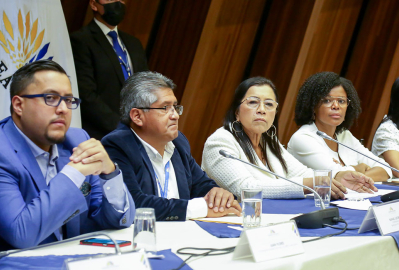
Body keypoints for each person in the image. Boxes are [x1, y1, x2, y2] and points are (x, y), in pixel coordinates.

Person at [0, 60, 135, 251]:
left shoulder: (78, 139)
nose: (63, 109)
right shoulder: (3, 153)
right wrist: (73, 173)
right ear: (19, 105)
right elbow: (21, 234)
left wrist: (110, 174)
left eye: (69, 100)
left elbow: (118, 220)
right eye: (51, 98)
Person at [201, 77, 377, 200]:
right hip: (236, 223)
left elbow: (302, 174)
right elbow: (246, 188)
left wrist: (338, 178)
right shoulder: (220, 142)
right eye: (253, 102)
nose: (262, 109)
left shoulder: (268, 141)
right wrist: (314, 183)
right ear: (237, 112)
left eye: (269, 104)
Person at [102, 71, 241, 221]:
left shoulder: (177, 142)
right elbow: (134, 202)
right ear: (137, 116)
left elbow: (201, 185)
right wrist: (198, 208)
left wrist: (217, 194)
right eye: (164, 108)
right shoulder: (117, 145)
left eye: (175, 107)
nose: (175, 115)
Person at [288, 72, 392, 182]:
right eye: (327, 101)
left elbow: (386, 169)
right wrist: (359, 168)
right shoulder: (303, 138)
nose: (336, 106)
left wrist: (352, 173)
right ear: (313, 106)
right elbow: (340, 177)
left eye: (341, 101)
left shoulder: (344, 135)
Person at [70, 0, 149, 140]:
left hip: (133, 134)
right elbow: (86, 94)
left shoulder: (134, 44)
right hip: (97, 134)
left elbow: (145, 87)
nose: (118, 3)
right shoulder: (81, 40)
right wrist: (121, 127)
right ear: (94, 4)